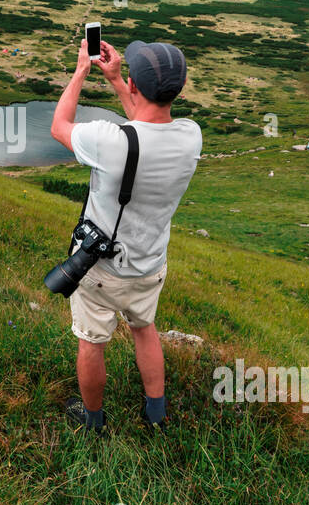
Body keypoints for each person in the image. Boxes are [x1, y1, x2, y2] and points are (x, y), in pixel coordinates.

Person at [49, 38, 202, 433]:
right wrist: (118, 80)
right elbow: (147, 125)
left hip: (101, 269)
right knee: (144, 329)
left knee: (92, 341)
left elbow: (59, 126)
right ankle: (155, 415)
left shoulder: (109, 140)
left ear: (137, 86)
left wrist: (83, 69)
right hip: (150, 264)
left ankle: (93, 421)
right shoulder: (190, 136)